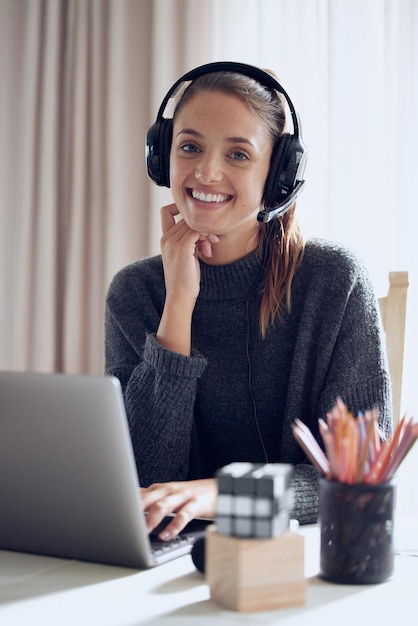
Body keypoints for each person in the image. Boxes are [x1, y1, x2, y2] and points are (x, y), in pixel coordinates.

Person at [105, 62, 392, 542]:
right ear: (161, 157)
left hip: (302, 559)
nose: (206, 172)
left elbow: (357, 478)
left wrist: (221, 494)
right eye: (190, 146)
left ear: (279, 177)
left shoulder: (334, 282)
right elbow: (144, 483)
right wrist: (179, 303)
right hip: (169, 564)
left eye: (238, 154)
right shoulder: (135, 293)